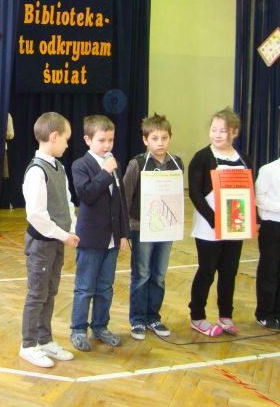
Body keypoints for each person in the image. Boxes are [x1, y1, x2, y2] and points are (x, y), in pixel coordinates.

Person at [19, 112, 79, 368]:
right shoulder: (36, 171)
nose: (67, 144)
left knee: (50, 292)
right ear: (54, 137)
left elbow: (66, 202)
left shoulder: (59, 167)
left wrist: (72, 229)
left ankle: (44, 340)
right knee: (37, 294)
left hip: (56, 242)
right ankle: (28, 345)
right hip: (42, 244)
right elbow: (36, 215)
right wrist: (64, 235)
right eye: (66, 139)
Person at [188, 107, 251, 336]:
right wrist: (215, 220)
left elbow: (247, 192)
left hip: (234, 225)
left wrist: (243, 219)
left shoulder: (242, 158)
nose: (217, 134)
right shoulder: (202, 158)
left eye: (222, 131)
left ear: (234, 132)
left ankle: (226, 315)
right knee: (207, 270)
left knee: (229, 271)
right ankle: (197, 316)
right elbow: (195, 193)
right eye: (213, 130)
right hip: (209, 226)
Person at [70, 114, 130, 352]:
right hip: (91, 238)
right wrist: (105, 172)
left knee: (105, 287)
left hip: (112, 238)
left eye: (111, 140)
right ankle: (78, 329)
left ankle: (100, 326)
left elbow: (121, 201)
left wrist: (124, 233)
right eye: (102, 140)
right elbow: (86, 195)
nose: (107, 145)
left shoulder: (114, 163)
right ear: (87, 140)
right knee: (85, 288)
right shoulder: (80, 165)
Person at [123, 114, 184, 340]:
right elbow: (125, 197)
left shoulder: (176, 163)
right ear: (145, 140)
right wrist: (126, 229)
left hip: (167, 228)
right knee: (142, 274)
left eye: (164, 138)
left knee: (158, 274)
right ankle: (137, 320)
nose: (160, 143)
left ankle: (153, 317)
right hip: (142, 228)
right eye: (155, 138)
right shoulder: (137, 164)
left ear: (170, 138)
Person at [254, 157, 280, 330]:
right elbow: (259, 199)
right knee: (269, 270)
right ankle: (264, 313)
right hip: (272, 226)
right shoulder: (268, 169)